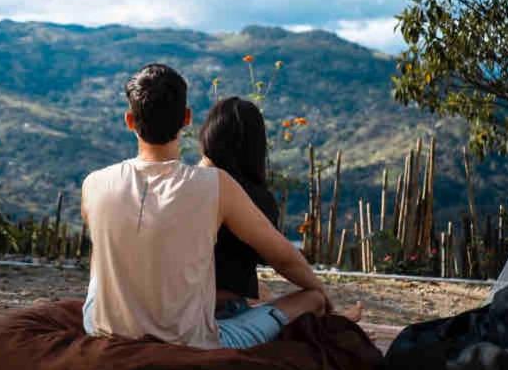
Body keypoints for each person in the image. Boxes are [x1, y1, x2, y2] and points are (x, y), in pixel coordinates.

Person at [81, 63, 360, 350]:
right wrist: (323, 296)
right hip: (190, 340)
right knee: (311, 299)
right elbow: (284, 259)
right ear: (187, 118)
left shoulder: (93, 184)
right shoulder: (215, 185)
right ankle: (328, 312)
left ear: (129, 120)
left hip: (101, 327)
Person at [198, 96, 280, 319]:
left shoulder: (186, 186)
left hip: (182, 306)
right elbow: (274, 258)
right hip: (224, 310)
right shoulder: (257, 198)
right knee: (308, 300)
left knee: (263, 292)